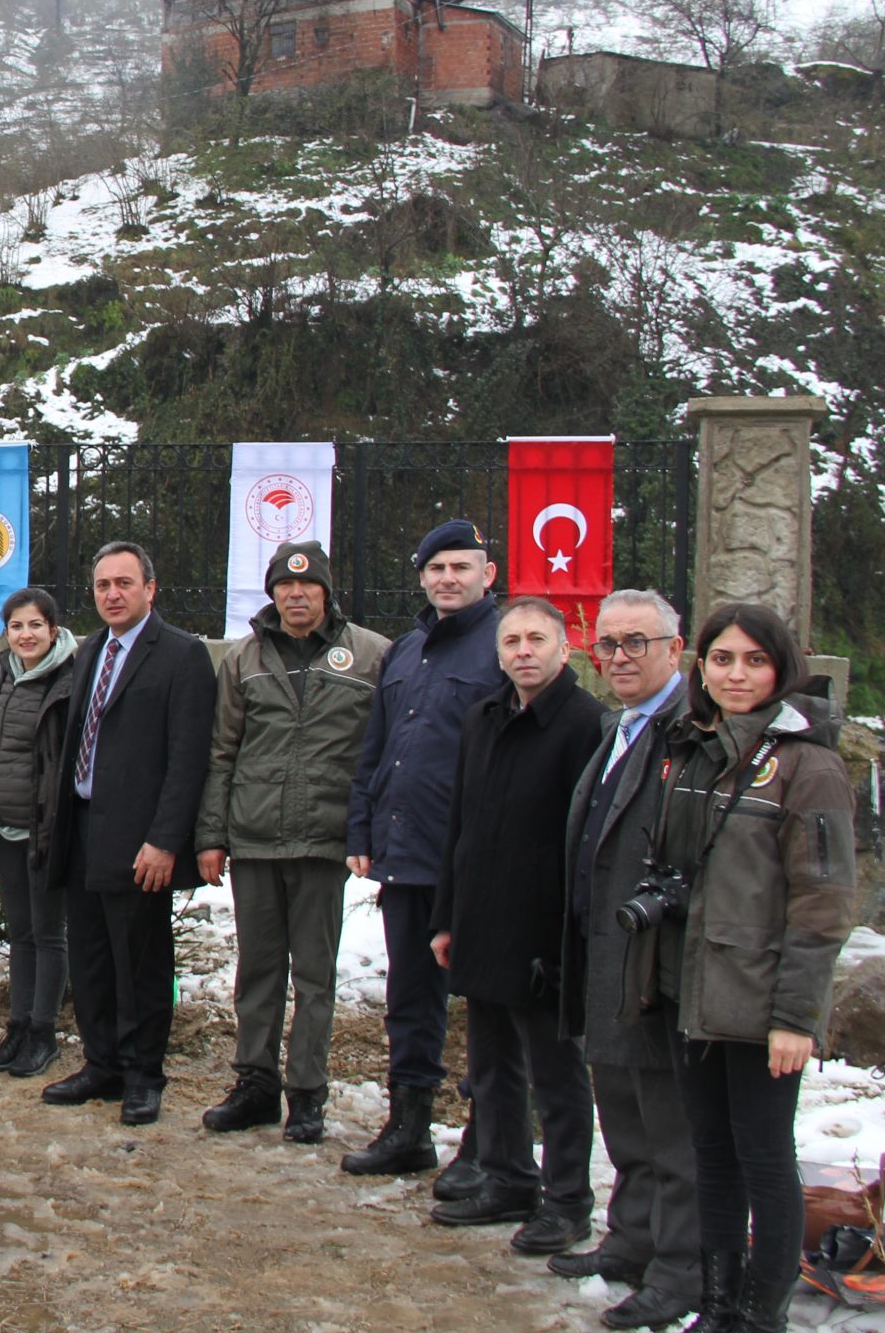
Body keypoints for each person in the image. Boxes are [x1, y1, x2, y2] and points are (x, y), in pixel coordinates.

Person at [628, 602, 855, 1333]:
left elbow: (822, 903)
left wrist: (797, 1015)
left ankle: (765, 1327)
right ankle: (719, 1308)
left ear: (780, 668)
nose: (734, 674)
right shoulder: (696, 748)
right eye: (722, 659)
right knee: (714, 1157)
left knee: (765, 1160)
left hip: (761, 1003)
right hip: (696, 988)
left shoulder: (808, 765)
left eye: (753, 661)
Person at [193, 541, 389, 1143]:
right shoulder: (244, 658)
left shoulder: (371, 655)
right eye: (284, 586)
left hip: (325, 842)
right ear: (272, 593)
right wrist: (211, 835)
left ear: (327, 592)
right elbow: (222, 751)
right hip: (254, 838)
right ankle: (255, 1083)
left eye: (308, 587)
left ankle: (307, 1094)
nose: (296, 595)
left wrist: (370, 831)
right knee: (257, 972)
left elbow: (382, 754)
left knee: (315, 976)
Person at [428, 596, 605, 1256]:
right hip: (483, 919)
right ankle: (505, 1175)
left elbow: (584, 842)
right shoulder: (484, 717)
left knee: (556, 1075)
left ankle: (567, 1199)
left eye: (536, 639)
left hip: (545, 931)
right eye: (511, 641)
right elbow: (460, 826)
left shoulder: (585, 724)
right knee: (492, 1063)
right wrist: (447, 916)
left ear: (564, 648)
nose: (523, 651)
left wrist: (569, 934)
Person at [341, 519, 502, 1178]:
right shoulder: (405, 650)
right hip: (407, 851)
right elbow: (375, 748)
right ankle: (409, 1125)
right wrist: (362, 827)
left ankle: (490, 1140)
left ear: (486, 574)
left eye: (461, 567)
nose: (448, 578)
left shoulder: (505, 645)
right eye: (437, 569)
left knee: (490, 1002)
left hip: (476, 856)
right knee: (410, 995)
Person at [557, 589, 700, 1331]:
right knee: (623, 1109)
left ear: (675, 650)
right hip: (605, 952)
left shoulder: (692, 734)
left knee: (671, 1123)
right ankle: (633, 1238)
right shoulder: (617, 725)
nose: (617, 657)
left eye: (635, 643)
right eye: (606, 644)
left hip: (658, 963)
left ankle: (681, 1269)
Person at [40, 542, 215, 1126]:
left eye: (123, 583)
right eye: (102, 586)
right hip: (85, 827)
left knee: (138, 960)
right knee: (90, 956)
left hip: (140, 839)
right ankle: (103, 1063)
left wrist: (165, 839)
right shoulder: (91, 650)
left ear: (150, 588)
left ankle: (144, 1074)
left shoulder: (182, 656)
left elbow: (189, 757)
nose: (112, 594)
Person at [0, 587, 77, 1079]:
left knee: (47, 933)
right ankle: (17, 1025)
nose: (26, 634)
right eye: (16, 626)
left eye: (35, 625)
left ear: (53, 630)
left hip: (46, 829)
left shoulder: (69, 678)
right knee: (19, 933)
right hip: (5, 828)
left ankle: (43, 1032)